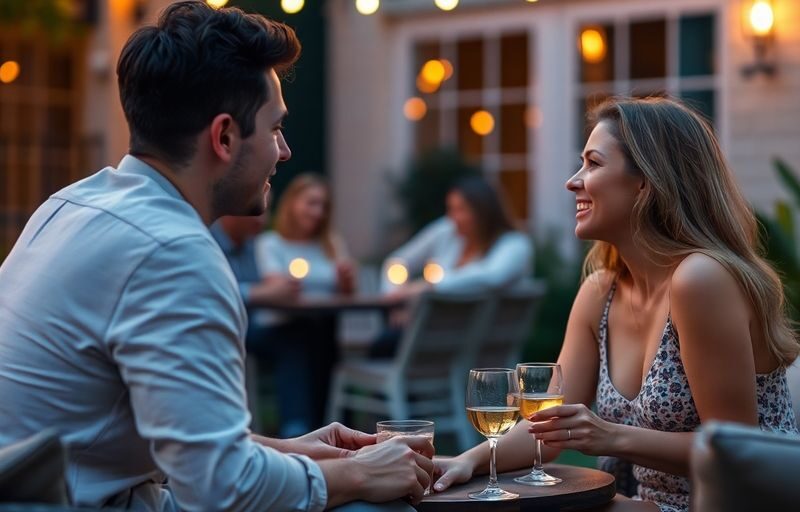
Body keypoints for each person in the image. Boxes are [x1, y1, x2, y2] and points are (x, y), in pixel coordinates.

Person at [0, 2, 432, 511]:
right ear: (224, 137)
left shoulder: (71, 205)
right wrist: (357, 476)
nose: (285, 150)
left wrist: (294, 453)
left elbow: (157, 441)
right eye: (274, 128)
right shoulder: (173, 253)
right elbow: (223, 488)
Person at [432, 97, 800, 512]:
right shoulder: (599, 293)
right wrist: (468, 462)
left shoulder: (701, 280)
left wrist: (609, 436)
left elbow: (735, 449)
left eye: (593, 164)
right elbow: (548, 430)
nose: (573, 181)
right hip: (644, 503)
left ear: (645, 182)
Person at [371, 175, 533, 357]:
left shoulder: (514, 246)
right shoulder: (446, 231)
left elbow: (491, 277)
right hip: (434, 337)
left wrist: (427, 287)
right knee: (385, 343)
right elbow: (397, 262)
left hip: (478, 346)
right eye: (451, 209)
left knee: (384, 345)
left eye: (461, 209)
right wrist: (396, 300)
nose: (453, 217)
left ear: (484, 211)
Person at [251, 173, 356, 436]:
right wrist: (331, 276)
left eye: (323, 205)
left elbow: (348, 291)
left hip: (317, 327)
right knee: (299, 338)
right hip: (273, 328)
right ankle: (302, 428)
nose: (318, 212)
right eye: (311, 203)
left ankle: (324, 427)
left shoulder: (330, 244)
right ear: (292, 203)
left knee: (320, 336)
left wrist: (344, 279)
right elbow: (279, 287)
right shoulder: (270, 243)